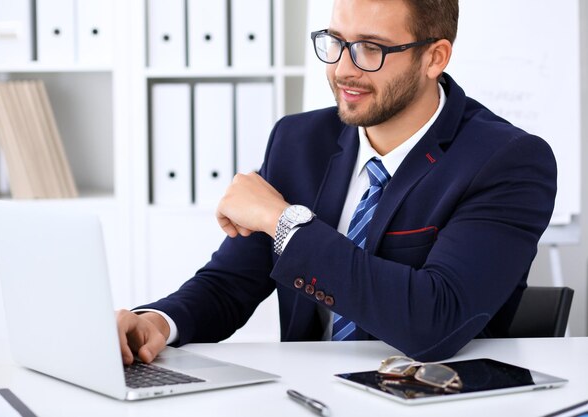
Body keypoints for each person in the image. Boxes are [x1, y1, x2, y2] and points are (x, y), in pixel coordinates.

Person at [117, 0, 556, 363]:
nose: (344, 69)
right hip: (308, 398)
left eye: (371, 48)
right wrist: (156, 323)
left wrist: (283, 220)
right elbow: (230, 283)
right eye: (336, 42)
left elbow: (433, 323)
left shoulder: (508, 162)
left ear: (434, 57)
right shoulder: (298, 140)